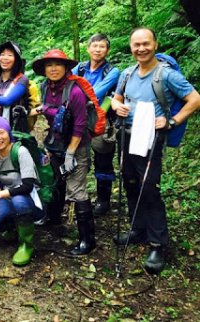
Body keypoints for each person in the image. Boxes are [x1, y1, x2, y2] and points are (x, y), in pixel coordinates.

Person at [111, 27, 200, 274]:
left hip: (150, 139)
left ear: (155, 44)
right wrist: (117, 106)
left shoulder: (166, 75)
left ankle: (157, 243)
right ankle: (138, 228)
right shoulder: (128, 74)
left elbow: (195, 99)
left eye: (146, 43)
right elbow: (116, 98)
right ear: (131, 47)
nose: (141, 48)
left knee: (149, 187)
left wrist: (172, 121)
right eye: (136, 44)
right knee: (130, 182)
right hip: (126, 135)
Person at [30, 49, 95, 255]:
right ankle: (53, 217)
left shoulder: (74, 91)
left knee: (76, 189)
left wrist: (71, 153)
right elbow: (50, 112)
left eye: (58, 64)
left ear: (66, 67)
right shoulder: (45, 87)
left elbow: (80, 124)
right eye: (49, 65)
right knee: (54, 180)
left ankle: (87, 239)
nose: (53, 68)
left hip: (77, 146)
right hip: (54, 143)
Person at [0, 117, 44, 266]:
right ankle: (14, 227)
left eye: (1, 132)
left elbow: (28, 186)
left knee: (18, 200)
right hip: (8, 198)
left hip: (29, 201)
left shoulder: (20, 152)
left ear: (8, 133)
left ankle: (26, 245)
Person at [73, 34, 120, 215]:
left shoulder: (112, 71)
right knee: (76, 155)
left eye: (102, 46)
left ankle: (103, 200)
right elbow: (69, 82)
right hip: (79, 118)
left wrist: (76, 96)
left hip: (101, 120)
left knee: (103, 158)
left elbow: (95, 93)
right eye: (94, 46)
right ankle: (77, 196)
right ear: (88, 48)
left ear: (107, 50)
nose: (97, 49)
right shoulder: (81, 67)